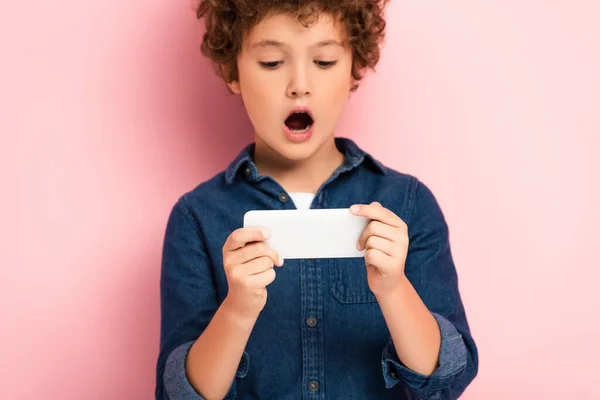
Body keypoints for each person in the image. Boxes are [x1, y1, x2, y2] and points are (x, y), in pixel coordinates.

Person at [155, 0, 478, 399]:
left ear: (353, 67)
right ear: (231, 70)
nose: (299, 84)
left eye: (324, 61)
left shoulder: (407, 203)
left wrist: (394, 289)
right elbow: (178, 393)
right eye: (272, 62)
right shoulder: (197, 217)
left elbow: (447, 379)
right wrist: (237, 310)